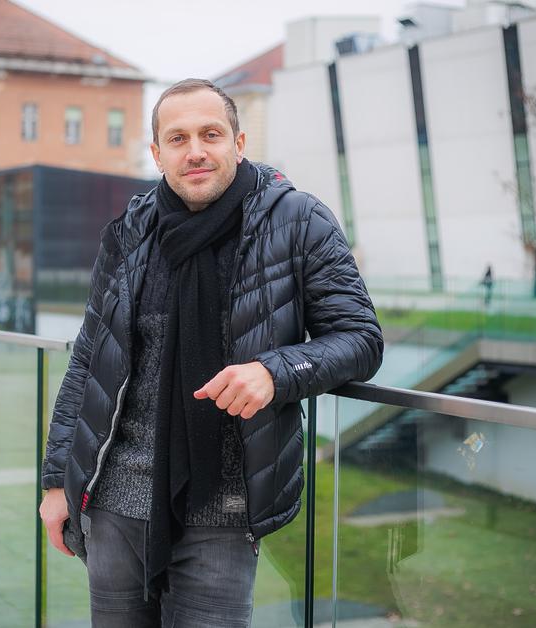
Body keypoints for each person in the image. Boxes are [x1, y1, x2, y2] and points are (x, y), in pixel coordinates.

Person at [40, 79, 383, 627]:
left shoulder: (299, 221)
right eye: (178, 139)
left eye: (211, 134)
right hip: (112, 505)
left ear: (239, 143)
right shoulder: (129, 231)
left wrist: (275, 372)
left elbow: (361, 339)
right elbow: (87, 361)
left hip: (223, 512)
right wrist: (57, 480)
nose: (195, 150)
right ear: (157, 154)